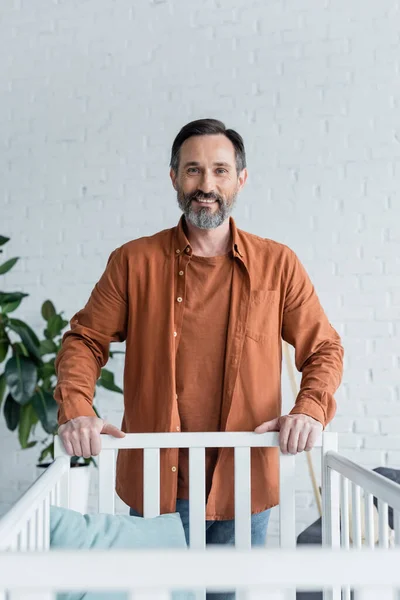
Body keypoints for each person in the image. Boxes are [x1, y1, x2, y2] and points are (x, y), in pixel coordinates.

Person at [55, 117, 344, 553]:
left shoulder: (279, 264)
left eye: (220, 170)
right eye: (193, 169)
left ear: (241, 179)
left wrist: (309, 410)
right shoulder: (133, 261)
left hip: (245, 485)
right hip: (158, 485)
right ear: (174, 176)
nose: (205, 183)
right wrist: (77, 408)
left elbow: (324, 347)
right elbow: (85, 339)